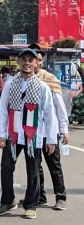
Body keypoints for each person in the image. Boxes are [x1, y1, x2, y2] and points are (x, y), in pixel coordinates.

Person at [0, 48, 58, 219]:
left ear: (36, 63)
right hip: (13, 135)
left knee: (33, 171)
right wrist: (1, 134)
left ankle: (31, 205)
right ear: (18, 62)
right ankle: (7, 201)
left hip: (34, 136)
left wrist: (51, 139)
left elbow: (49, 113)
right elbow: (3, 110)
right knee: (6, 167)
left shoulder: (42, 87)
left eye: (31, 60)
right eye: (24, 60)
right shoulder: (10, 84)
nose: (27, 63)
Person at [31, 45, 69, 210]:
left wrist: (64, 129)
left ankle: (61, 197)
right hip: (32, 131)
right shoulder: (24, 79)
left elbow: (60, 108)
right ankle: (40, 196)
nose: (36, 63)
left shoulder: (50, 79)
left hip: (49, 131)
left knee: (54, 165)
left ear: (42, 61)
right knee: (35, 166)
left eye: (39, 60)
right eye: (34, 60)